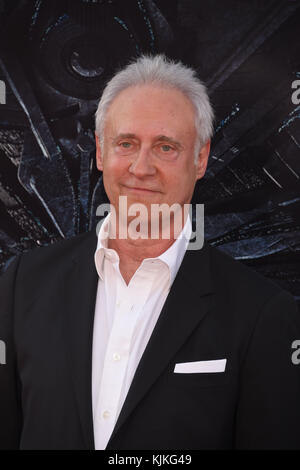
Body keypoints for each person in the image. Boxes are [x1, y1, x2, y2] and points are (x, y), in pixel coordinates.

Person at [0, 54, 300, 450]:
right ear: (101, 151)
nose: (141, 168)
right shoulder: (24, 283)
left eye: (166, 147)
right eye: (126, 143)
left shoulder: (262, 313)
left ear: (201, 159)